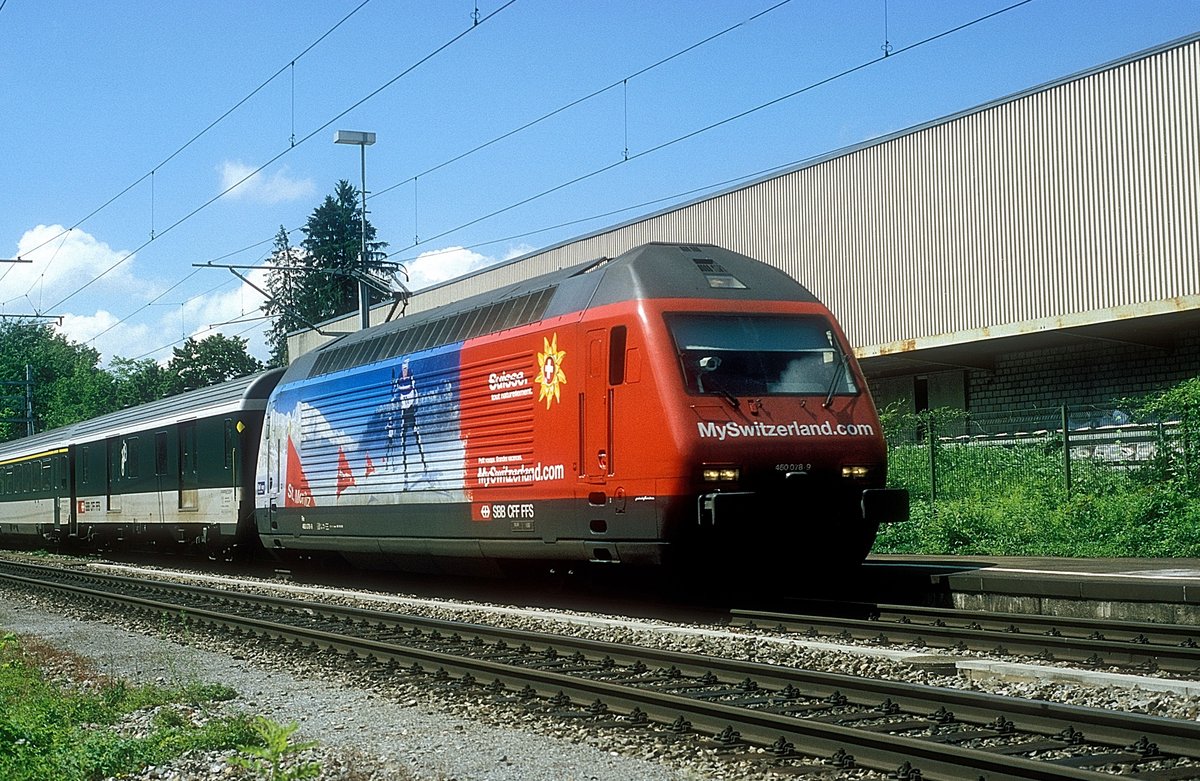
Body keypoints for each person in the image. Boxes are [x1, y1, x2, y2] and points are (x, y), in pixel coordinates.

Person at [387, 359, 426, 474]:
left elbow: (415, 392)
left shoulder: (411, 382)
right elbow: (394, 393)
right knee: (403, 438)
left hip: (411, 411)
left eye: (405, 369)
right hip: (404, 412)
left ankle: (423, 462)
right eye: (403, 369)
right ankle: (405, 468)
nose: (404, 372)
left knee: (416, 436)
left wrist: (416, 404)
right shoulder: (399, 382)